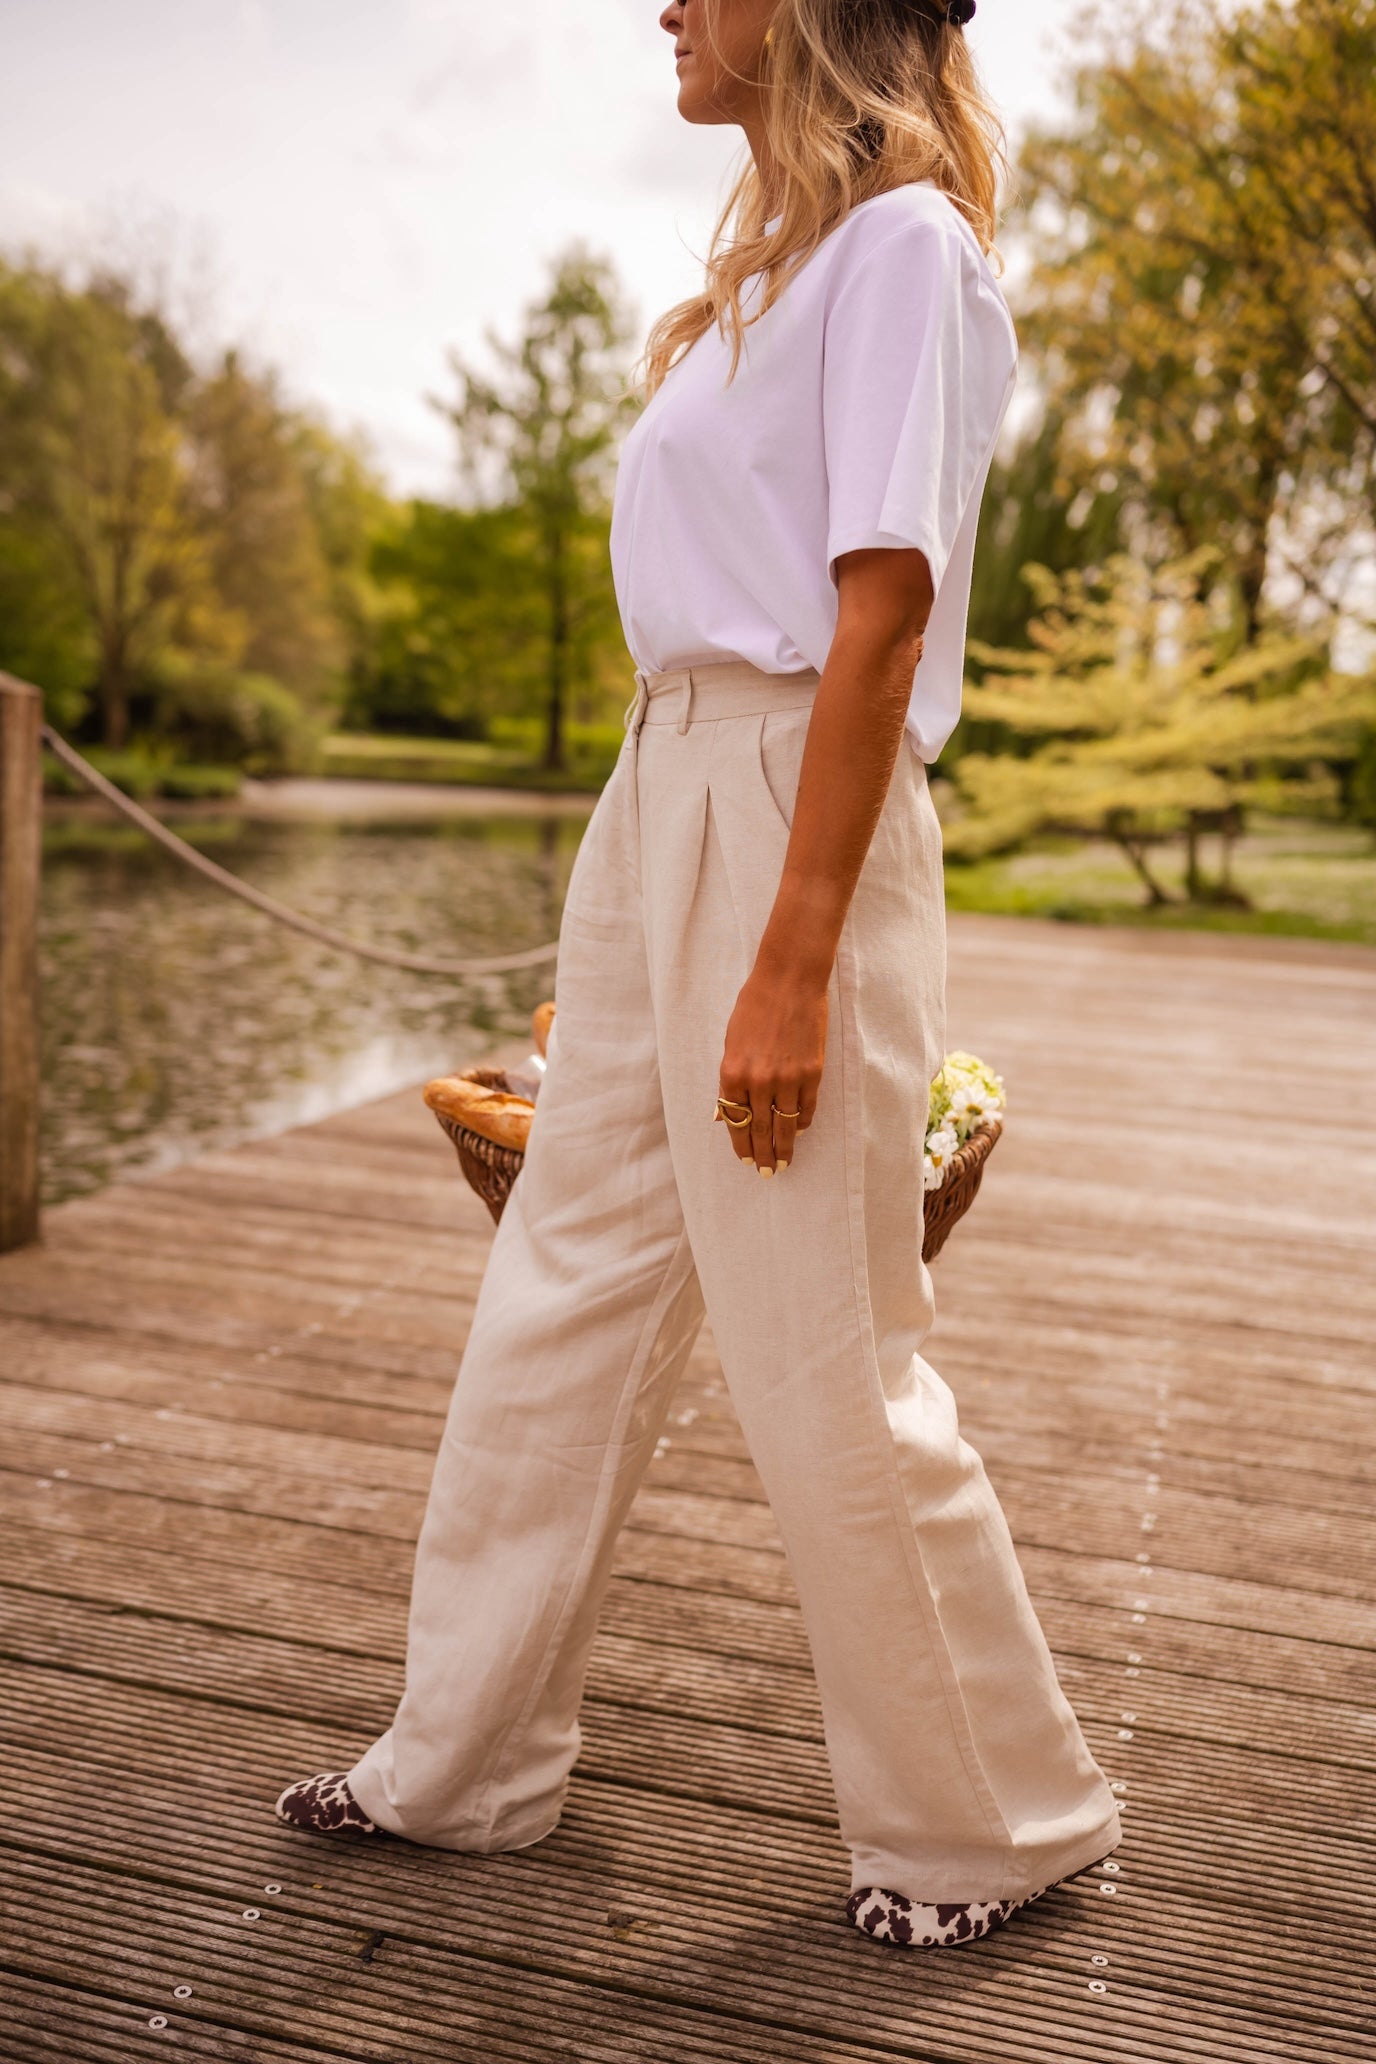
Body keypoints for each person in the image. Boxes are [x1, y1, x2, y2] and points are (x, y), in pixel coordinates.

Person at [275, 0, 1123, 1952]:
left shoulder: (907, 248)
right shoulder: (773, 278)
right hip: (660, 784)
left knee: (824, 1348)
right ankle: (463, 1764)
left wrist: (790, 960)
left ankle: (995, 1825)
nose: (662, 7)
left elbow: (881, 616)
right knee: (560, 1296)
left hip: (788, 801)